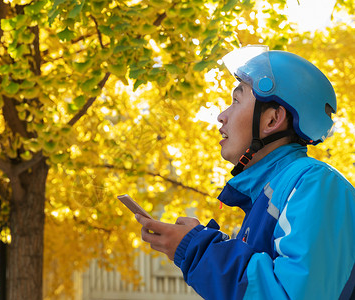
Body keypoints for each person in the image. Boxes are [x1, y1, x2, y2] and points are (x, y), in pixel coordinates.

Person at [135, 45, 355, 300]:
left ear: (272, 120)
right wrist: (205, 244)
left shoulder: (314, 183)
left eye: (236, 100)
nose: (221, 116)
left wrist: (197, 250)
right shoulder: (274, 194)